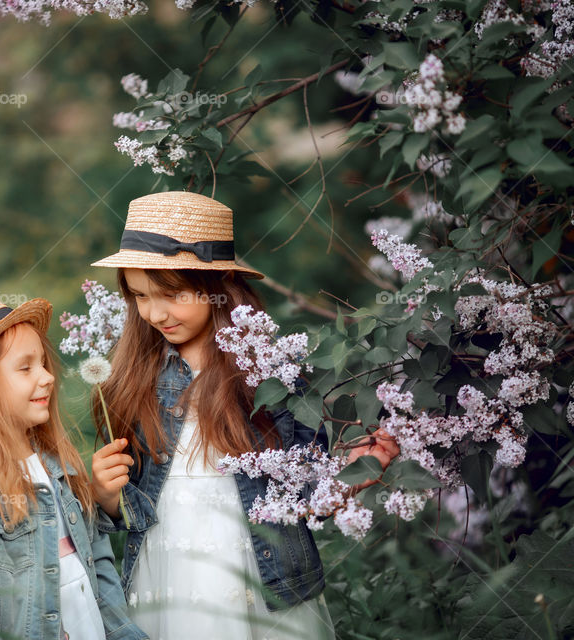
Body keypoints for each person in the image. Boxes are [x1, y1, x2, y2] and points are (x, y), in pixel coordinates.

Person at [88, 191, 397, 639]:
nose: (155, 312)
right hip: (168, 573)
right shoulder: (136, 378)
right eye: (139, 295)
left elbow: (305, 493)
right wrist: (106, 495)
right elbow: (133, 505)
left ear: (219, 286)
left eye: (172, 293)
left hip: (259, 577)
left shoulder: (268, 376)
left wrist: (348, 477)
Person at [0, 292, 147, 639]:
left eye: (43, 363)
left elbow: (100, 569)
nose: (48, 377)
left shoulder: (62, 468)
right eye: (25, 368)